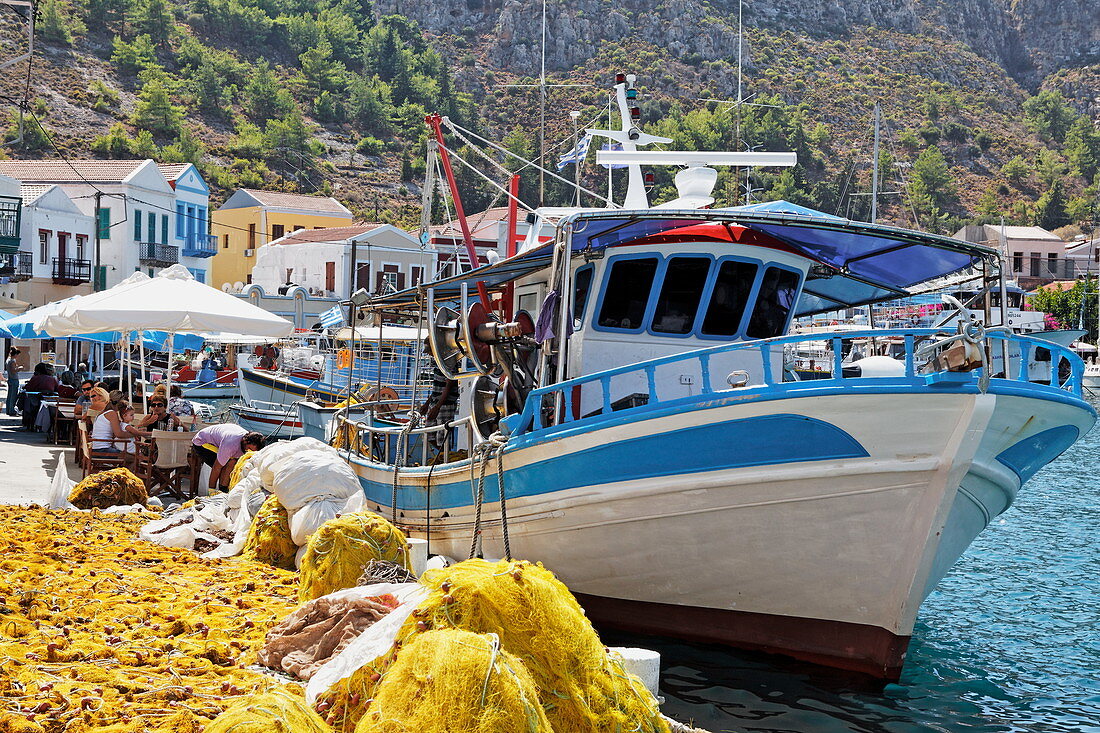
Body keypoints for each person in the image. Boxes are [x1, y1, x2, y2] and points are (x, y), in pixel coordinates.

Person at [191, 425, 264, 492]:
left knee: (232, 463)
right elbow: (216, 468)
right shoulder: (230, 445)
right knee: (224, 465)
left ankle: (223, 489)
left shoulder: (246, 441)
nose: (248, 451)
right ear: (245, 441)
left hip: (223, 438)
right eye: (248, 448)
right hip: (202, 441)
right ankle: (217, 491)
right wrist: (211, 491)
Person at [5, 347, 22, 416]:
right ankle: (11, 410)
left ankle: (8, 410)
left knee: (9, 396)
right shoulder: (12, 361)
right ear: (15, 354)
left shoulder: (8, 360)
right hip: (14, 379)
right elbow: (13, 370)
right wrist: (19, 368)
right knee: (13, 396)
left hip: (10, 379)